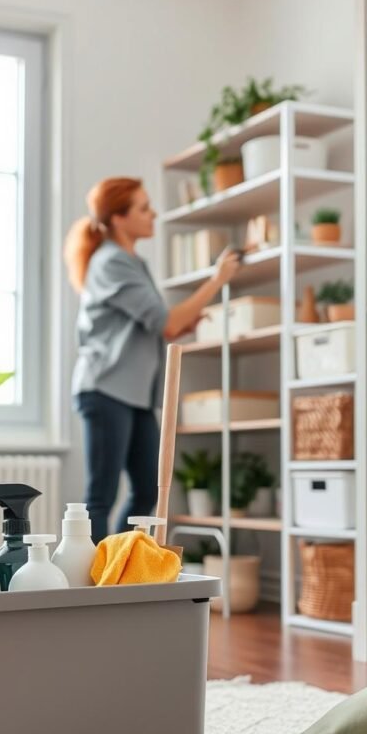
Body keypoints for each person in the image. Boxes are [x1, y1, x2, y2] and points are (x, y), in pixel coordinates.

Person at [64, 176, 241, 543]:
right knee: (102, 497)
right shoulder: (111, 262)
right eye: (144, 208)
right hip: (106, 388)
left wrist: (182, 323)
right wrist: (217, 279)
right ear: (118, 218)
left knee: (148, 490)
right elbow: (165, 320)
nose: (154, 214)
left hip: (135, 394)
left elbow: (162, 327)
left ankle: (122, 568)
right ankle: (95, 587)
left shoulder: (132, 262)